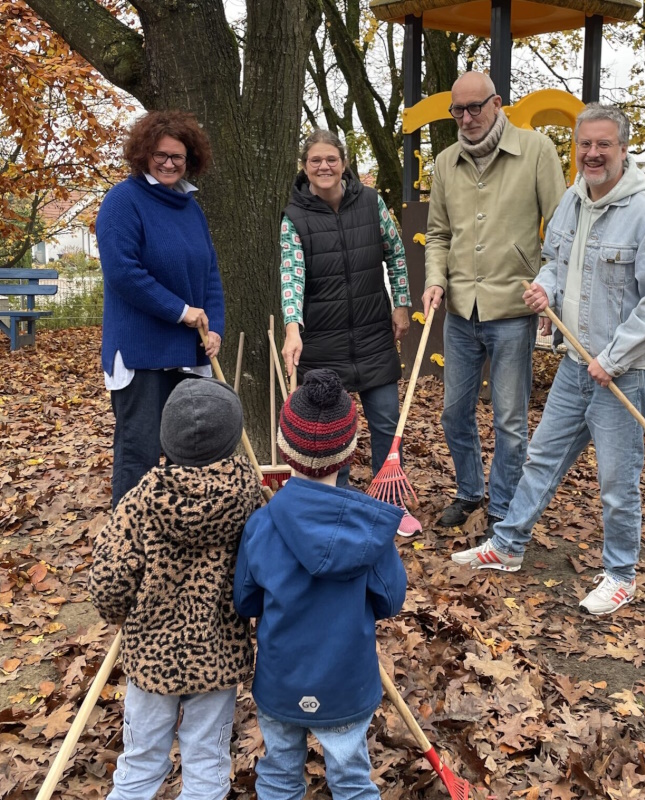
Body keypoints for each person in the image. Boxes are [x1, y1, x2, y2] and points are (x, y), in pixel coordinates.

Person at [451, 104, 645, 616]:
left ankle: (621, 574)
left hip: (622, 372)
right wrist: (543, 290)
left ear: (623, 150)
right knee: (541, 458)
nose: (592, 154)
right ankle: (508, 545)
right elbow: (556, 262)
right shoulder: (572, 204)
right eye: (585, 145)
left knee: (617, 483)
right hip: (576, 366)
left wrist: (614, 358)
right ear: (575, 149)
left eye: (604, 145)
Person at [234, 369, 407, 800]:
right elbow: (389, 599)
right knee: (351, 782)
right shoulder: (369, 531)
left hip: (280, 682)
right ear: (350, 451)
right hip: (346, 684)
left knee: (278, 778)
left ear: (282, 447)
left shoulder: (261, 526)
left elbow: (246, 599)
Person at [89, 378, 263, 800]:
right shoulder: (252, 501)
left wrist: (122, 616)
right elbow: (263, 576)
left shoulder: (139, 501)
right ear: (233, 439)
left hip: (150, 660)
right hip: (217, 659)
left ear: (166, 439)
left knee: (140, 762)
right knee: (206, 764)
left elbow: (109, 581)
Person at [422, 71, 566, 539]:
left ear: (497, 102)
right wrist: (435, 280)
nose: (466, 118)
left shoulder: (537, 150)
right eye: (457, 111)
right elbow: (439, 235)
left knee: (509, 418)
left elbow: (560, 233)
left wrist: (548, 283)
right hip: (462, 310)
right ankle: (470, 491)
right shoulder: (445, 162)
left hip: (512, 311)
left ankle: (502, 506)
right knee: (453, 413)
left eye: (475, 108)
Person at [95, 110, 224, 509]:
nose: (169, 163)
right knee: (140, 454)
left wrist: (214, 326)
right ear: (143, 154)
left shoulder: (191, 208)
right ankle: (126, 550)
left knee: (190, 457)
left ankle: (175, 543)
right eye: (160, 155)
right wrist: (180, 311)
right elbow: (122, 273)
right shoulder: (123, 200)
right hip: (141, 353)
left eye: (177, 157)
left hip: (188, 353)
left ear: (190, 160)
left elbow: (210, 274)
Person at [280, 130, 413, 498]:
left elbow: (396, 254)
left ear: (344, 163)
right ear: (305, 168)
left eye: (331, 159)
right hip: (322, 342)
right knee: (328, 429)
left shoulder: (372, 203)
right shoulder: (294, 217)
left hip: (373, 335)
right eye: (315, 161)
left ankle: (389, 498)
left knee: (387, 419)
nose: (324, 166)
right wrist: (293, 330)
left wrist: (401, 304)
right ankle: (331, 499)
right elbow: (290, 276)